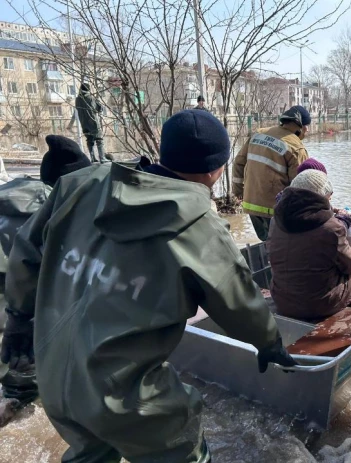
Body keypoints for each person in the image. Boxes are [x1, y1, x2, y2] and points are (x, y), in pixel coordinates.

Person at [0, 110, 295, 462]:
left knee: (92, 453)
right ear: (215, 170)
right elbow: (238, 300)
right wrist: (268, 342)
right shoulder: (200, 226)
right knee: (184, 452)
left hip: (53, 375)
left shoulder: (81, 184)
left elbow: (26, 250)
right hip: (124, 395)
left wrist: (18, 316)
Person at [0, 135, 91, 408]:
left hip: (8, 287)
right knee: (26, 361)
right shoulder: (60, 209)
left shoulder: (10, 194)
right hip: (15, 293)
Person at [268, 170, 351, 321]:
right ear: (322, 198)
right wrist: (343, 224)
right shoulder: (332, 228)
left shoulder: (275, 220)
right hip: (319, 305)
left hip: (281, 299)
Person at [233, 105, 310, 241]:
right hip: (275, 209)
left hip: (250, 204)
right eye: (307, 126)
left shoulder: (258, 134)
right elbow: (299, 186)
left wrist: (239, 191)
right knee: (281, 247)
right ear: (301, 127)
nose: (308, 130)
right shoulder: (296, 147)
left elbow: (238, 163)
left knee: (267, 244)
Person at [75, 82, 106, 164]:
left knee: (89, 140)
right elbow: (99, 109)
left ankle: (92, 158)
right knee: (99, 140)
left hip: (84, 124)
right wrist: (98, 101)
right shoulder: (91, 98)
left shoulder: (77, 99)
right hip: (93, 123)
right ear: (88, 89)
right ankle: (102, 158)